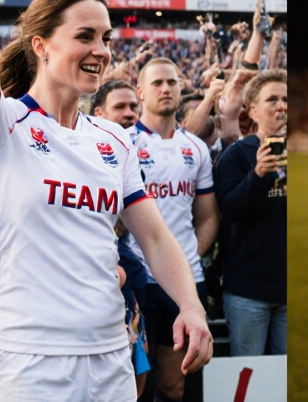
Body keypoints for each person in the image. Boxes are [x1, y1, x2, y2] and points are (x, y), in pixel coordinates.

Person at [0, 0, 212, 401]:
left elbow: (155, 237)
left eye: (106, 38)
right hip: (29, 363)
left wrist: (190, 305)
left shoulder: (113, 140)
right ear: (41, 45)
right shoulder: (0, 125)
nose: (101, 50)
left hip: (110, 358)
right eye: (85, 36)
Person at [125, 57, 219, 402]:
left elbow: (207, 218)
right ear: (140, 91)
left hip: (182, 283)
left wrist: (186, 257)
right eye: (157, 83)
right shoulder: (123, 144)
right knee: (131, 384)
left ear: (181, 89)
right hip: (137, 280)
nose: (165, 89)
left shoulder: (196, 148)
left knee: (172, 385)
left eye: (172, 82)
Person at [213, 69, 286, 357]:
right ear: (253, 111)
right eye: (272, 100)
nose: (282, 106)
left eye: (286, 100)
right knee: (249, 373)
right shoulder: (236, 156)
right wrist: (257, 175)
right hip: (248, 291)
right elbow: (230, 210)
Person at [92, 79, 153, 399]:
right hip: (98, 290)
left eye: (133, 107)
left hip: (133, 284)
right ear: (98, 114)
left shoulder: (131, 156)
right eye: (120, 107)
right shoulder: (82, 154)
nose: (130, 114)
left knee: (137, 373)